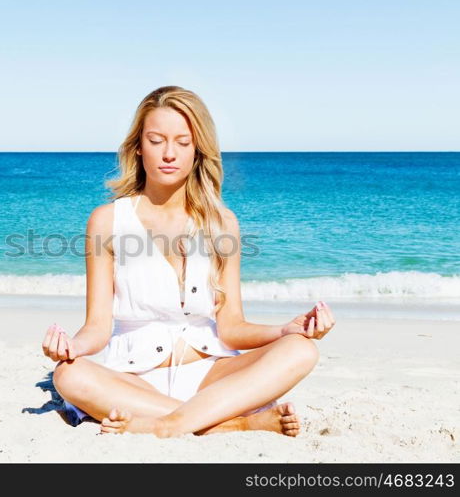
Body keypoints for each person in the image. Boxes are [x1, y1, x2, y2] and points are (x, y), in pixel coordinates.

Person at [42, 85, 335, 438]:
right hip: (134, 380)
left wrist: (285, 330)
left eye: (182, 142)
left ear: (197, 150)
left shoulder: (222, 224)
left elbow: (232, 328)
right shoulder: (107, 221)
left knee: (301, 350)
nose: (169, 153)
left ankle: (170, 425)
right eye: (156, 140)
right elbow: (98, 327)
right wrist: (73, 347)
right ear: (138, 146)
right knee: (68, 374)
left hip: (212, 376)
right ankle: (233, 422)